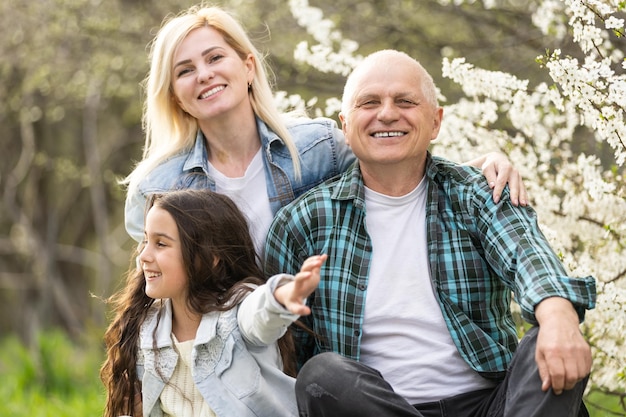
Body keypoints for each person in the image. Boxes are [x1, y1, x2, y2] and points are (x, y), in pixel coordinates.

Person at [264, 50, 596, 417]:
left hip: (493, 404)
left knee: (548, 336)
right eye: (369, 102)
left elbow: (526, 253)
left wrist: (559, 316)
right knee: (321, 375)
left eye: (405, 101)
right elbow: (286, 349)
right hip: (377, 408)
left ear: (435, 122)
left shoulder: (477, 194)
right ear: (345, 125)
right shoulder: (304, 221)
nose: (387, 113)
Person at [123, 4, 528, 256]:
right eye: (186, 70)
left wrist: (481, 166)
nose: (205, 75)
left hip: (317, 339)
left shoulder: (317, 147)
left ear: (247, 67)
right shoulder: (159, 187)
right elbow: (160, 293)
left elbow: (401, 172)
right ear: (175, 95)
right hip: (229, 356)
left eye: (215, 58)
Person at [100, 189, 325, 417]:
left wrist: (282, 296)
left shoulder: (236, 310)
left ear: (210, 257)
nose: (144, 256)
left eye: (161, 244)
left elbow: (259, 313)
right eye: (145, 241)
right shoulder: (148, 330)